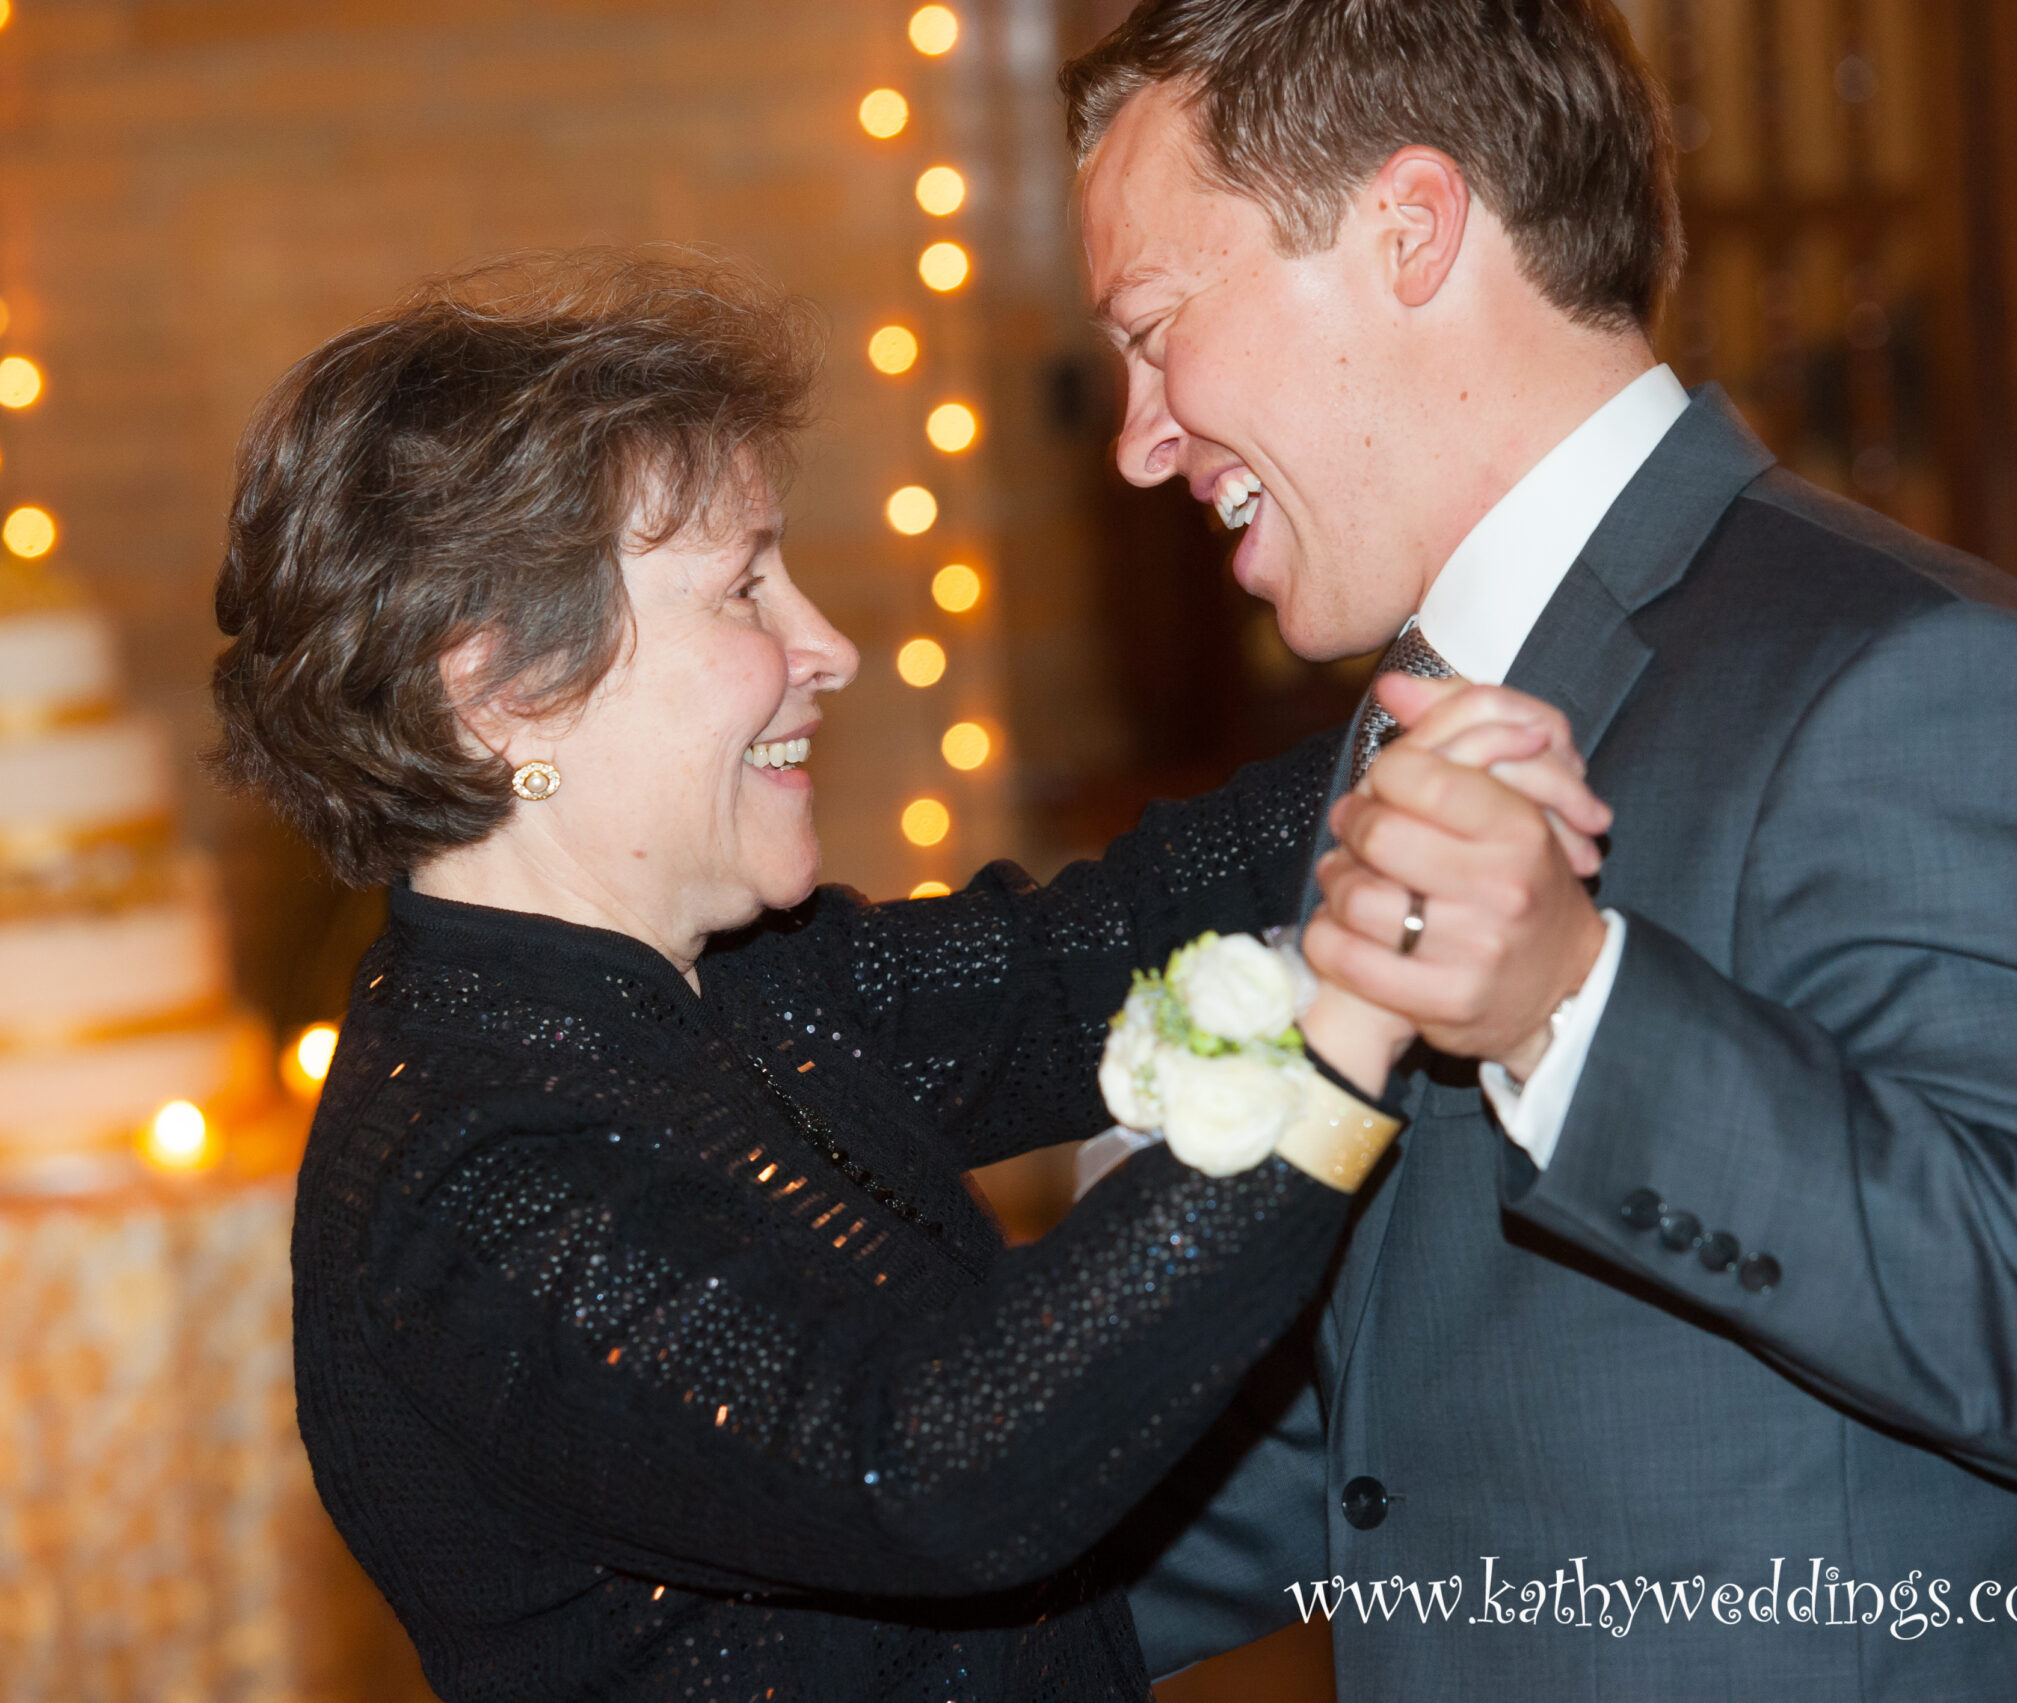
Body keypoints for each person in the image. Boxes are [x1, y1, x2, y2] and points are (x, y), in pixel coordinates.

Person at [210, 253, 1603, 1701]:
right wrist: (1341, 1025)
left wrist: (1458, 714)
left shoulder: (741, 987)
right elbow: (937, 1465)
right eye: (743, 589)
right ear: (501, 691)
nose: (828, 646)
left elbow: (1094, 953)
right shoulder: (467, 1177)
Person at [1064, 2, 2017, 1698]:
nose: (1139, 435)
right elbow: (1401, 1437)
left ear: (1409, 229)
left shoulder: (1917, 679)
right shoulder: (1421, 717)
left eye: (1158, 328)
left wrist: (1572, 1005)